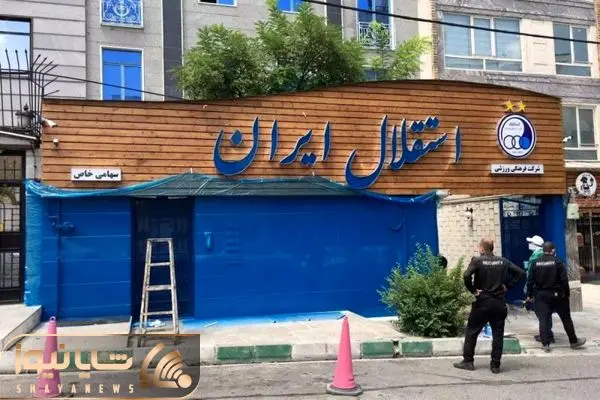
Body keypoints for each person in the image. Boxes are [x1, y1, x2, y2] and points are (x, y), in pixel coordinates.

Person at [453, 238, 525, 374]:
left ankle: (468, 361)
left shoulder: (477, 261)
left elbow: (466, 275)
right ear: (492, 248)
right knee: (498, 334)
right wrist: (508, 285)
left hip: (482, 302)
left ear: (481, 248)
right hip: (498, 303)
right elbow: (521, 273)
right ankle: (495, 365)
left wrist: (473, 290)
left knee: (472, 331)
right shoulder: (503, 261)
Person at [526, 241, 586, 352]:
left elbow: (530, 281)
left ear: (544, 251)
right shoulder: (558, 262)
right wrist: (567, 294)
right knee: (566, 318)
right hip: (558, 295)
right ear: (552, 251)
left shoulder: (535, 263)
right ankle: (573, 341)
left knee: (544, 319)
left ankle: (545, 344)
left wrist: (529, 295)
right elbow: (564, 280)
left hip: (541, 295)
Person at [526, 235, 554, 343]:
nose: (529, 245)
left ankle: (546, 335)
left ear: (535, 245)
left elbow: (531, 277)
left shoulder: (536, 257)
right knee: (545, 313)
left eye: (531, 243)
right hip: (548, 289)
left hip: (538, 289)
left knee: (541, 313)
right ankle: (547, 333)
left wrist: (529, 293)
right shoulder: (541, 255)